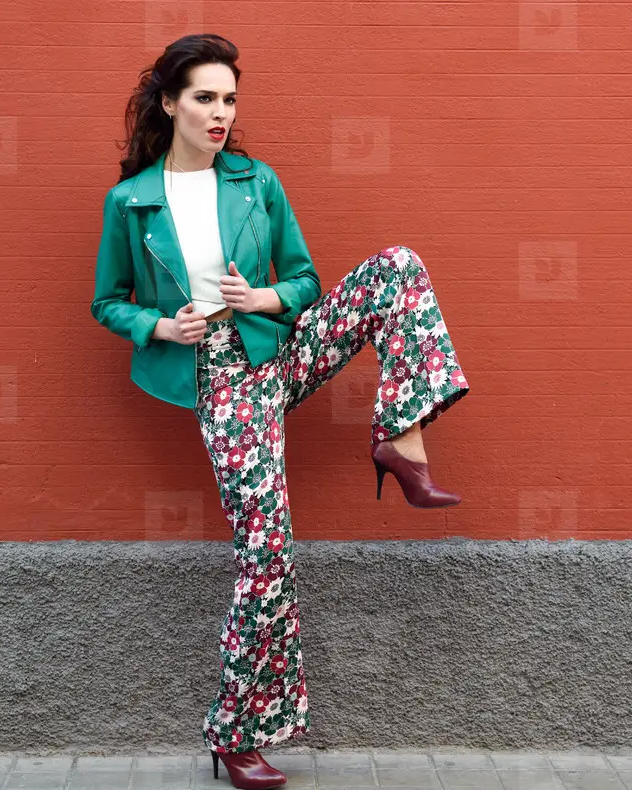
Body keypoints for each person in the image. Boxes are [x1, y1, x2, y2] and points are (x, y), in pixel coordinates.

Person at [90, 33, 470, 790]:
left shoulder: (256, 181)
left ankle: (403, 440)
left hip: (277, 351)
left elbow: (303, 278)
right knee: (267, 557)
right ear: (169, 104)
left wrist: (262, 297)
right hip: (222, 382)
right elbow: (106, 302)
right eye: (204, 97)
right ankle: (235, 734)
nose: (220, 112)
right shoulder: (131, 203)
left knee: (398, 267)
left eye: (229, 98)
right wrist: (163, 326)